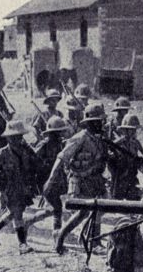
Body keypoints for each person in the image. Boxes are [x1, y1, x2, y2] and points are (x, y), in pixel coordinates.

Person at [44, 104, 108, 254]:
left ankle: (94, 239)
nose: (101, 124)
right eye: (98, 121)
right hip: (80, 180)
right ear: (91, 122)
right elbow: (62, 158)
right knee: (82, 212)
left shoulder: (98, 138)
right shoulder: (80, 137)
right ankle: (60, 237)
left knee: (100, 206)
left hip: (95, 180)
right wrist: (51, 179)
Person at [0, 120, 44, 255]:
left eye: (19, 136)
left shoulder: (26, 150)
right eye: (13, 137)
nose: (16, 139)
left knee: (15, 212)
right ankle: (22, 244)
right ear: (7, 138)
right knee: (17, 213)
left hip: (24, 187)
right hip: (9, 188)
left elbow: (37, 162)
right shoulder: (2, 154)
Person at [107, 113, 143, 201]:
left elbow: (142, 157)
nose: (134, 132)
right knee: (116, 205)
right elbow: (109, 159)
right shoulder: (117, 144)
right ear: (125, 130)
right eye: (132, 130)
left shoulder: (135, 143)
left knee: (135, 203)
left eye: (135, 130)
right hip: (119, 179)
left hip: (132, 177)